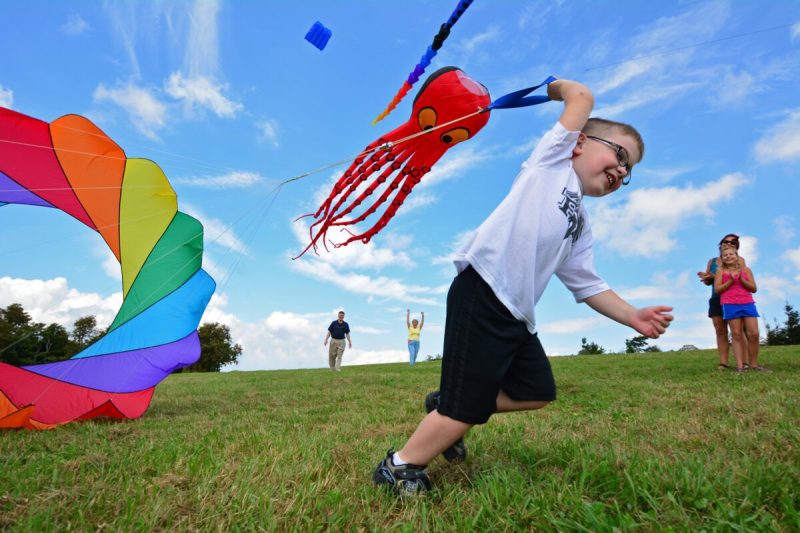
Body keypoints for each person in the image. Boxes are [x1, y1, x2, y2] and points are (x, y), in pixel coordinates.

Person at [372, 79, 673, 495]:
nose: (622, 171)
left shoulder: (581, 224)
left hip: (517, 315)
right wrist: (552, 87)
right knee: (465, 407)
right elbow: (581, 96)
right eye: (620, 155)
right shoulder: (551, 164)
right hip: (484, 292)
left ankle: (448, 402)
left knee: (536, 391)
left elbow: (588, 283)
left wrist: (632, 315)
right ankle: (399, 466)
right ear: (579, 142)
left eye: (629, 171)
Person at [697, 234, 747, 370]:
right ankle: (723, 363)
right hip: (716, 298)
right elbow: (709, 282)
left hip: (734, 298)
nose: (729, 244)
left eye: (733, 242)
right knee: (720, 330)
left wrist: (715, 276)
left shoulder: (739, 260)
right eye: (726, 241)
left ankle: (744, 362)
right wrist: (707, 278)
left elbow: (740, 277)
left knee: (737, 331)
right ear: (721, 244)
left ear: (737, 246)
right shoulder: (712, 261)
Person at [714, 245, 766, 372]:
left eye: (731, 254)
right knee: (736, 334)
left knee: (754, 333)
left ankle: (753, 364)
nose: (728, 256)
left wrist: (742, 279)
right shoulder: (720, 271)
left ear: (737, 256)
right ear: (722, 258)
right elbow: (718, 289)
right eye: (725, 255)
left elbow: (753, 288)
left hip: (747, 303)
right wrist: (730, 281)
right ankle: (740, 366)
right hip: (729, 304)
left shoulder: (746, 270)